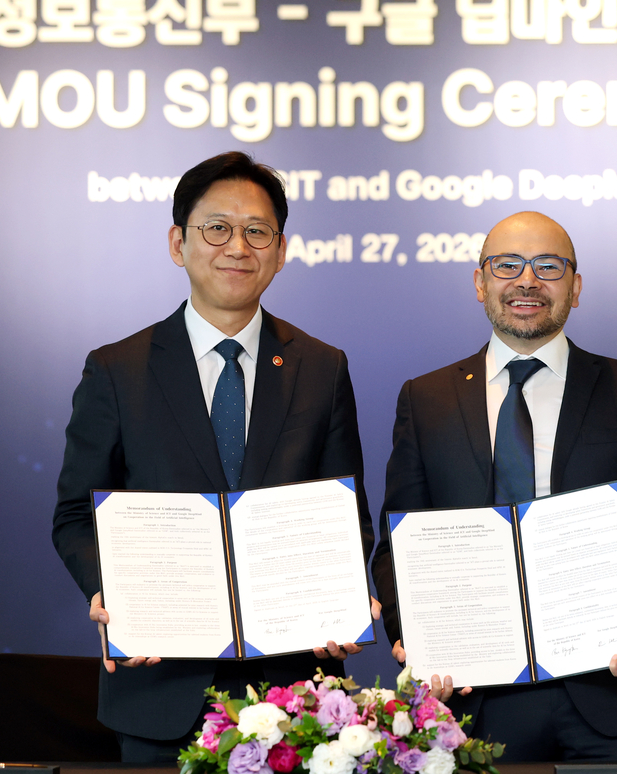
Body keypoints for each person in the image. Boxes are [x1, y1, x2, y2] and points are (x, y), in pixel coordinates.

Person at [52, 152, 375, 762]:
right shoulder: (117, 370)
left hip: (293, 700)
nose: (237, 247)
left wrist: (343, 595)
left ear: (280, 252)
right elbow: (75, 515)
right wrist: (109, 588)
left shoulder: (322, 368)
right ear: (178, 243)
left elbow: (346, 514)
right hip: (161, 692)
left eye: (257, 232)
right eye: (216, 228)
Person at [371, 211, 617, 763]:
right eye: (507, 265)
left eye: (548, 266)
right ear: (480, 283)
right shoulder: (425, 400)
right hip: (474, 704)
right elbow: (397, 547)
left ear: (576, 286)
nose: (527, 281)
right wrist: (419, 636)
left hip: (614, 694)